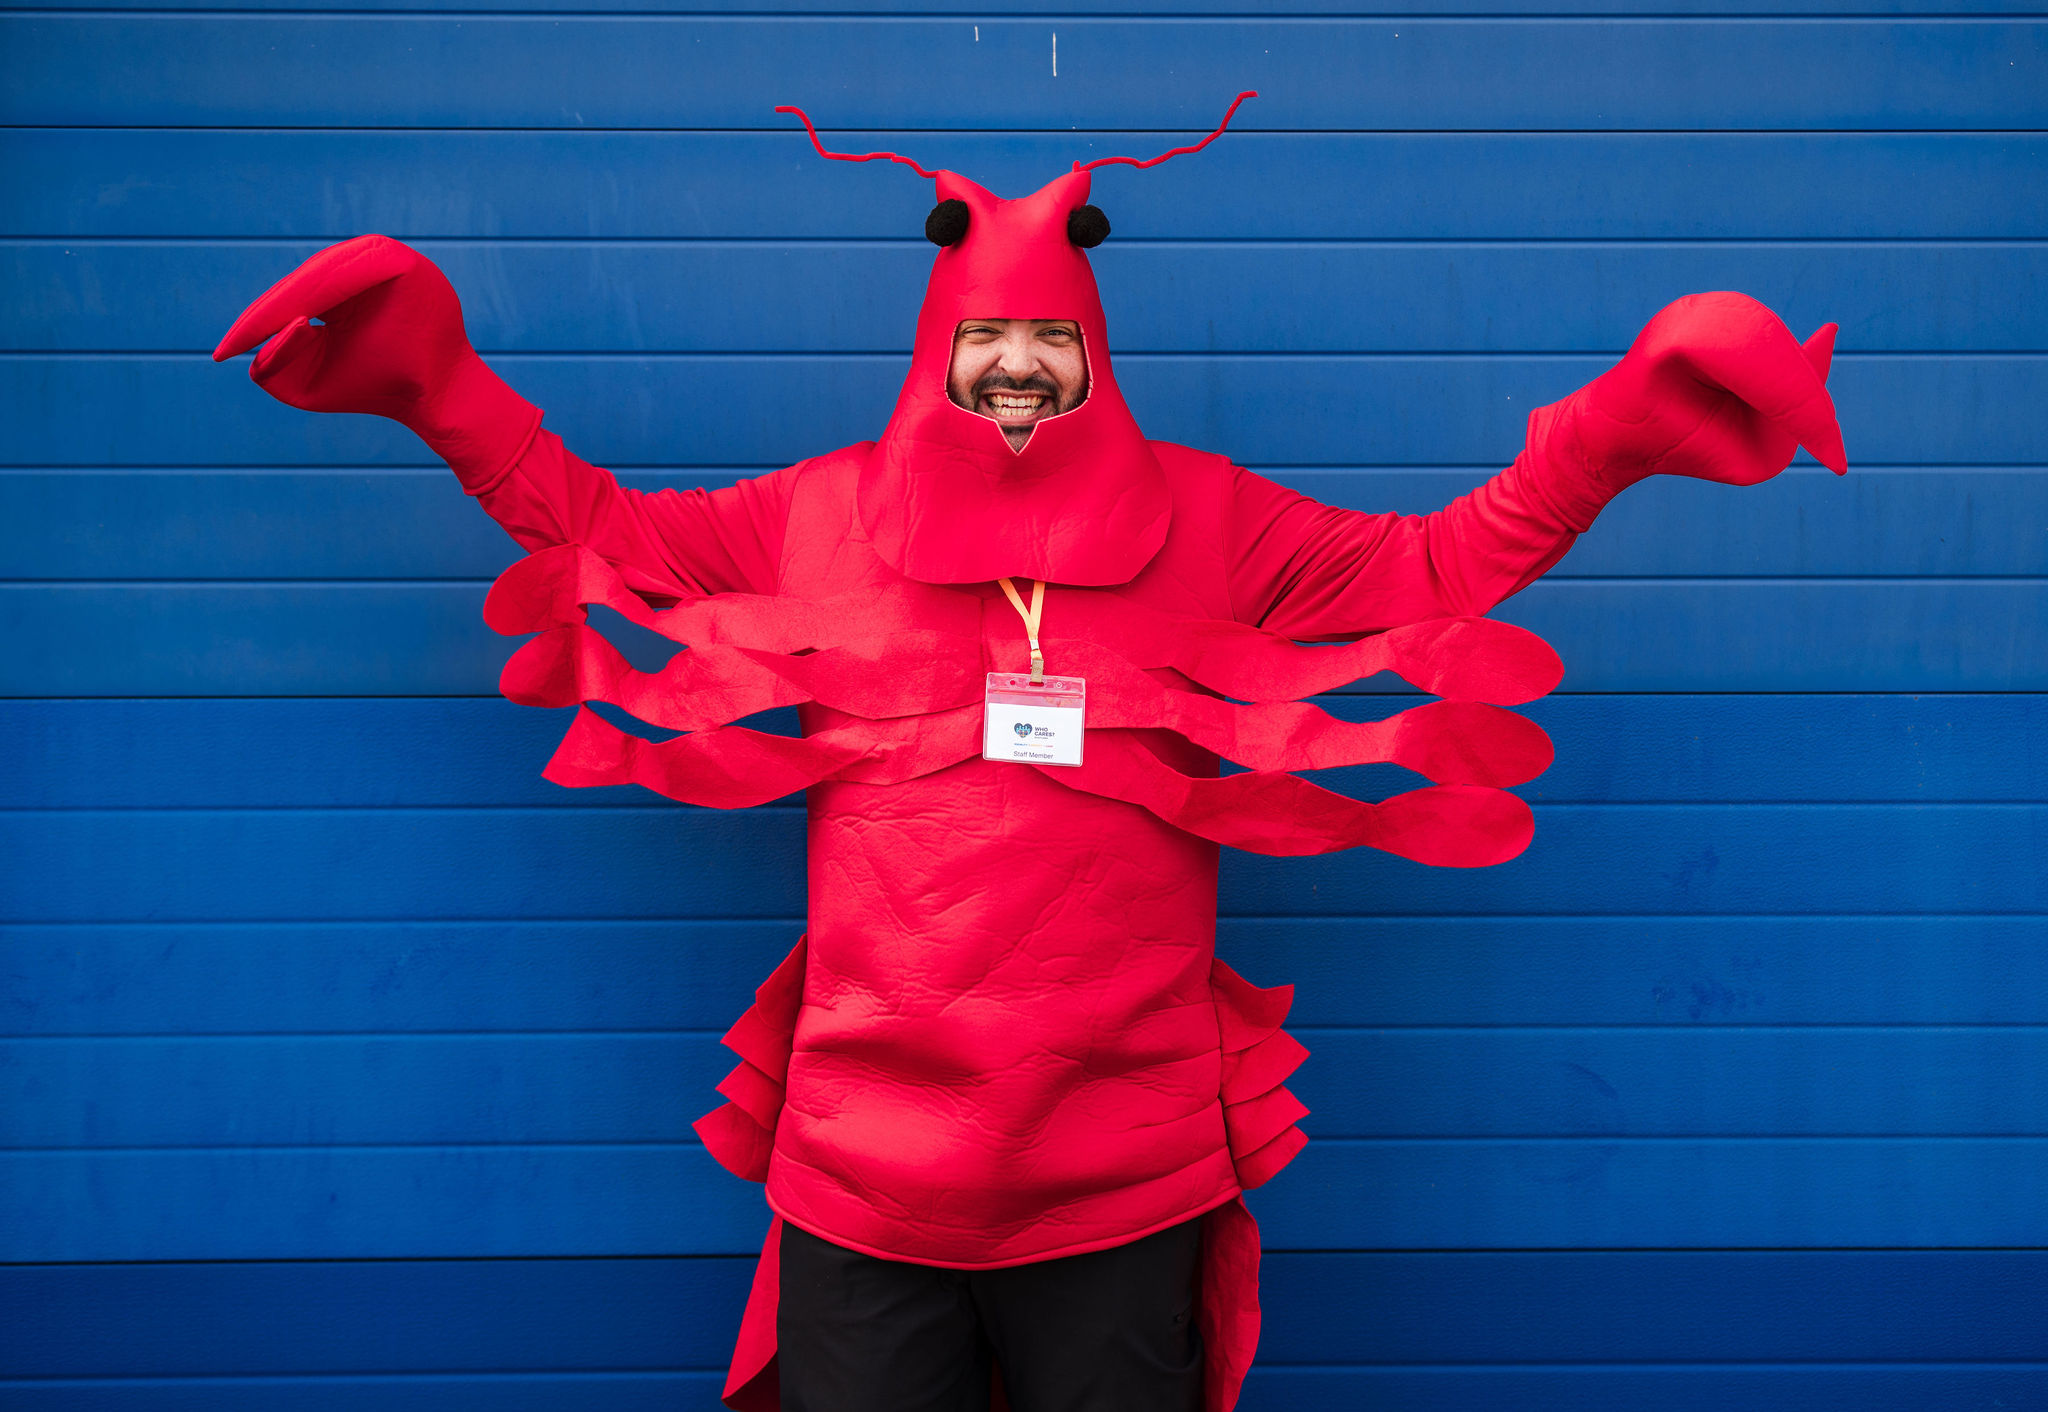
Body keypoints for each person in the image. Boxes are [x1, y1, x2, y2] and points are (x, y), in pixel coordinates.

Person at [214, 96, 1845, 1412]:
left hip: (1123, 1167)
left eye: (1049, 340)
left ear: (1093, 350)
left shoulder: (1218, 520)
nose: (1016, 367)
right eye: (988, 336)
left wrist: (1609, 439)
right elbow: (604, 539)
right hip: (865, 1167)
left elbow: (1433, 570)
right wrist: (438, 386)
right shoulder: (814, 514)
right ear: (938, 345)